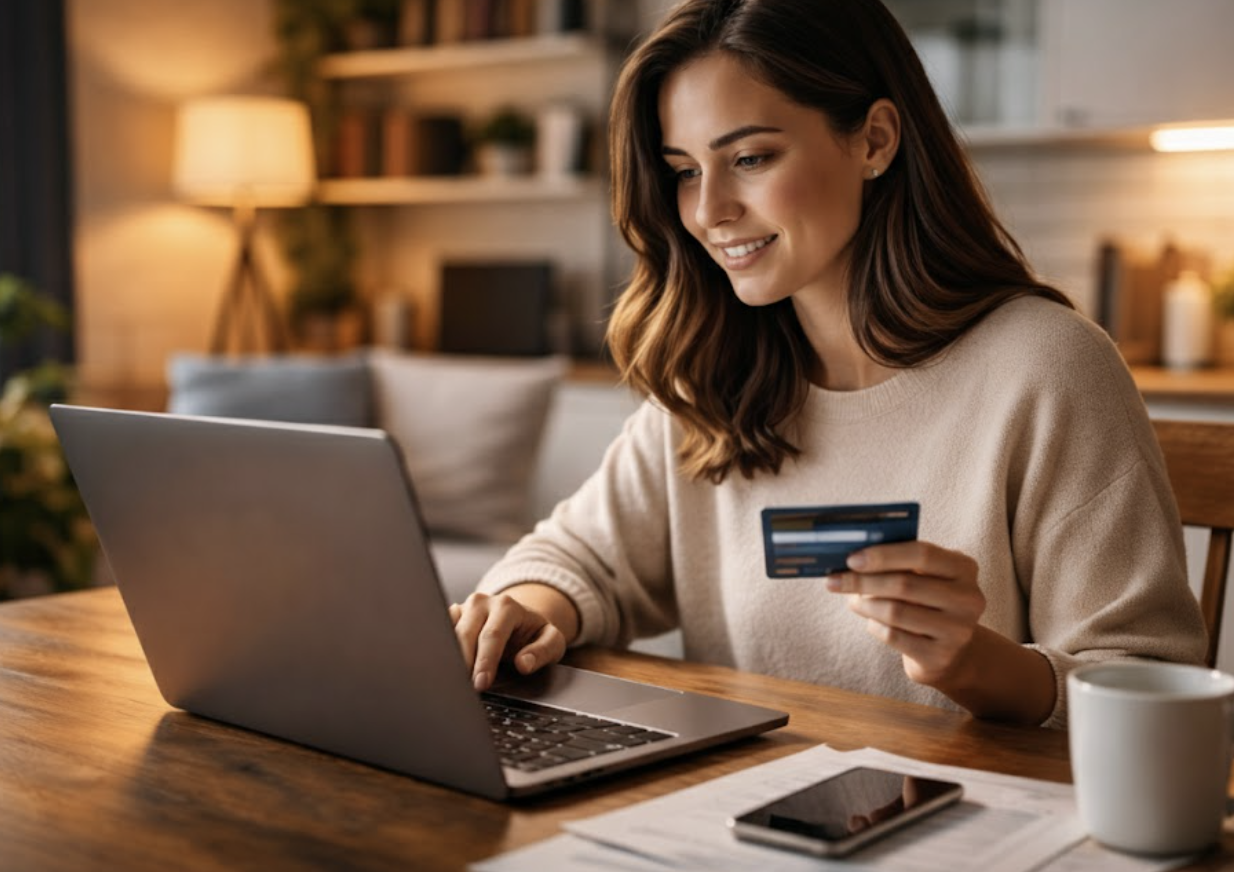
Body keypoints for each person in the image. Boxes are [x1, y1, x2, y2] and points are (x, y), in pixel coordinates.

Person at [449, 0, 1206, 728]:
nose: (709, 211)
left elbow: (1147, 679)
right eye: (684, 170)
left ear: (874, 140)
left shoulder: (1047, 367)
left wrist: (975, 664)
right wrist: (526, 610)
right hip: (741, 806)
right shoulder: (710, 370)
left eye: (750, 158)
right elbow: (578, 560)